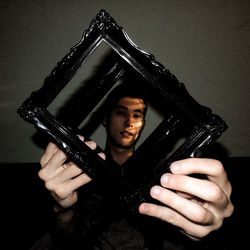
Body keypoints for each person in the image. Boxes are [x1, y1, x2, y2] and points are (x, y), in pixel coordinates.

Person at [33, 81, 234, 249]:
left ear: (144, 123)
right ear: (105, 118)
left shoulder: (164, 176)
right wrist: (62, 209)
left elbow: (176, 235)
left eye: (137, 115)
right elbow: (67, 239)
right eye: (121, 112)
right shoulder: (80, 173)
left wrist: (201, 226)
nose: (129, 122)